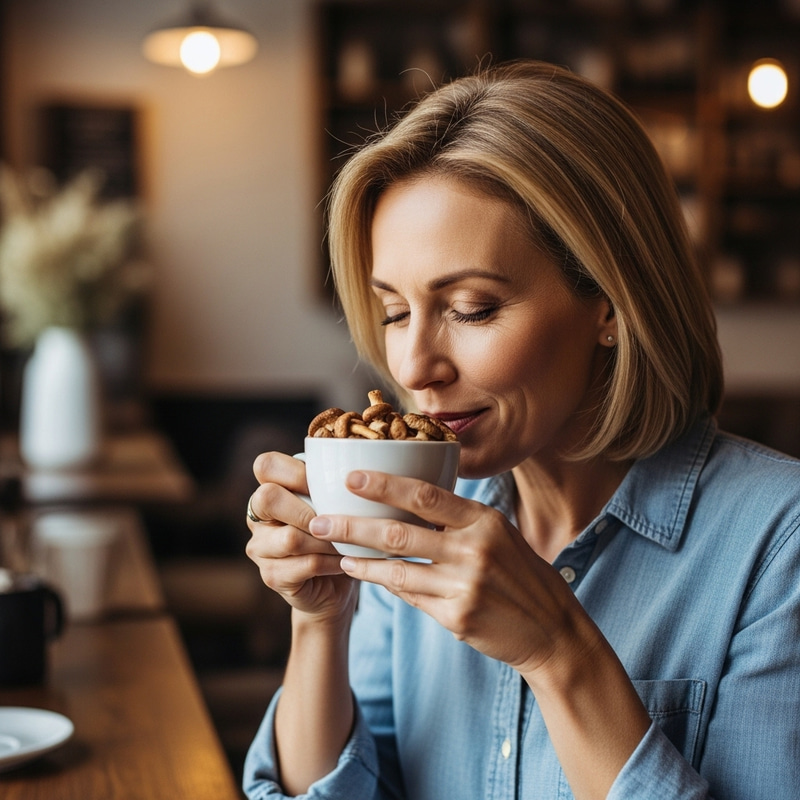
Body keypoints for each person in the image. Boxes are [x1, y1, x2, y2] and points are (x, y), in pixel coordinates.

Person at [242, 60, 800, 799]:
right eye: (394, 312)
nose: (414, 363)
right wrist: (320, 619)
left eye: (471, 307)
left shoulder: (776, 544)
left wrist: (558, 652)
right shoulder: (409, 517)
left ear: (608, 301)